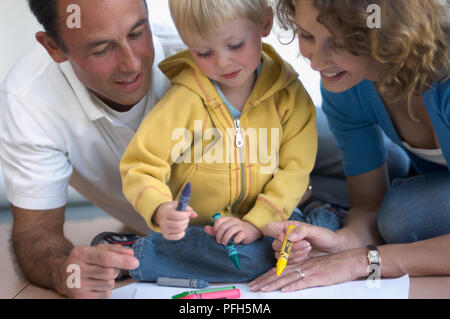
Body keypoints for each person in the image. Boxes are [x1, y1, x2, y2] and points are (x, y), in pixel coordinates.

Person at [118, 0, 353, 283]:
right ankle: (131, 251)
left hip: (271, 216)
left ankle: (315, 217)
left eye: (235, 45)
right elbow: (141, 166)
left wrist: (257, 223)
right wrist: (160, 208)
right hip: (208, 232)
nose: (222, 62)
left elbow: (296, 171)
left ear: (264, 24)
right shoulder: (184, 99)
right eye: (203, 52)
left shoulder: (290, 96)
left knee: (317, 232)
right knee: (253, 260)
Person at [249, 0, 450, 293]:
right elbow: (367, 205)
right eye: (307, 36)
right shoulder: (347, 85)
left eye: (338, 43)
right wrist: (340, 243)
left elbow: (379, 231)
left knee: (402, 215)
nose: (316, 61)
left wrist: (365, 261)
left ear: (388, 32)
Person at [0, 0, 187, 298]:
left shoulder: (199, 39)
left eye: (138, 33)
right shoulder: (28, 99)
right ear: (53, 47)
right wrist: (63, 270)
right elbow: (35, 230)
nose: (132, 63)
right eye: (102, 49)